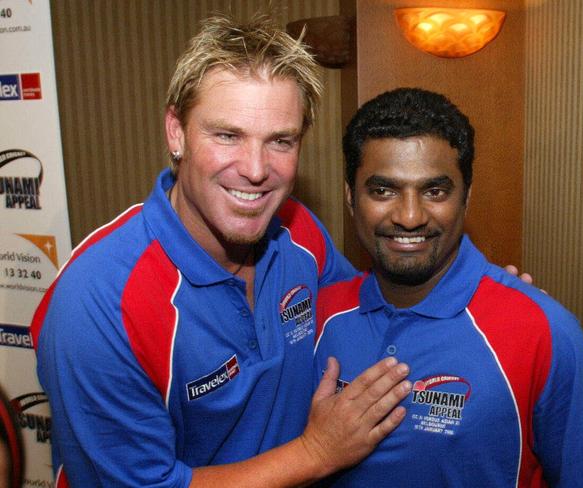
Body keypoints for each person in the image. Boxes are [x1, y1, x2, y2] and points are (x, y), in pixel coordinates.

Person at [29, 13, 413, 487]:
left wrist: (481, 300)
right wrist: (317, 452)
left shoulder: (298, 232)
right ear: (176, 132)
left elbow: (360, 311)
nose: (255, 169)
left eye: (280, 141)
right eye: (227, 135)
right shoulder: (97, 306)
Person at [314, 88, 583, 487]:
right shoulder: (318, 316)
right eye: (383, 190)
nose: (409, 216)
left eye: (434, 191)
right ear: (351, 198)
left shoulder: (543, 331)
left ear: (466, 198)